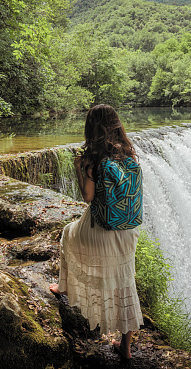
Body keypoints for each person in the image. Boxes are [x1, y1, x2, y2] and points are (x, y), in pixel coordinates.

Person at [50, 104, 144, 360]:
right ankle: (125, 347)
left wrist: (79, 168)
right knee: (126, 282)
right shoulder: (127, 152)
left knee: (69, 233)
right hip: (129, 229)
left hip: (102, 226)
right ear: (116, 124)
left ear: (91, 127)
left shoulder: (94, 155)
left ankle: (63, 287)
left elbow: (88, 197)